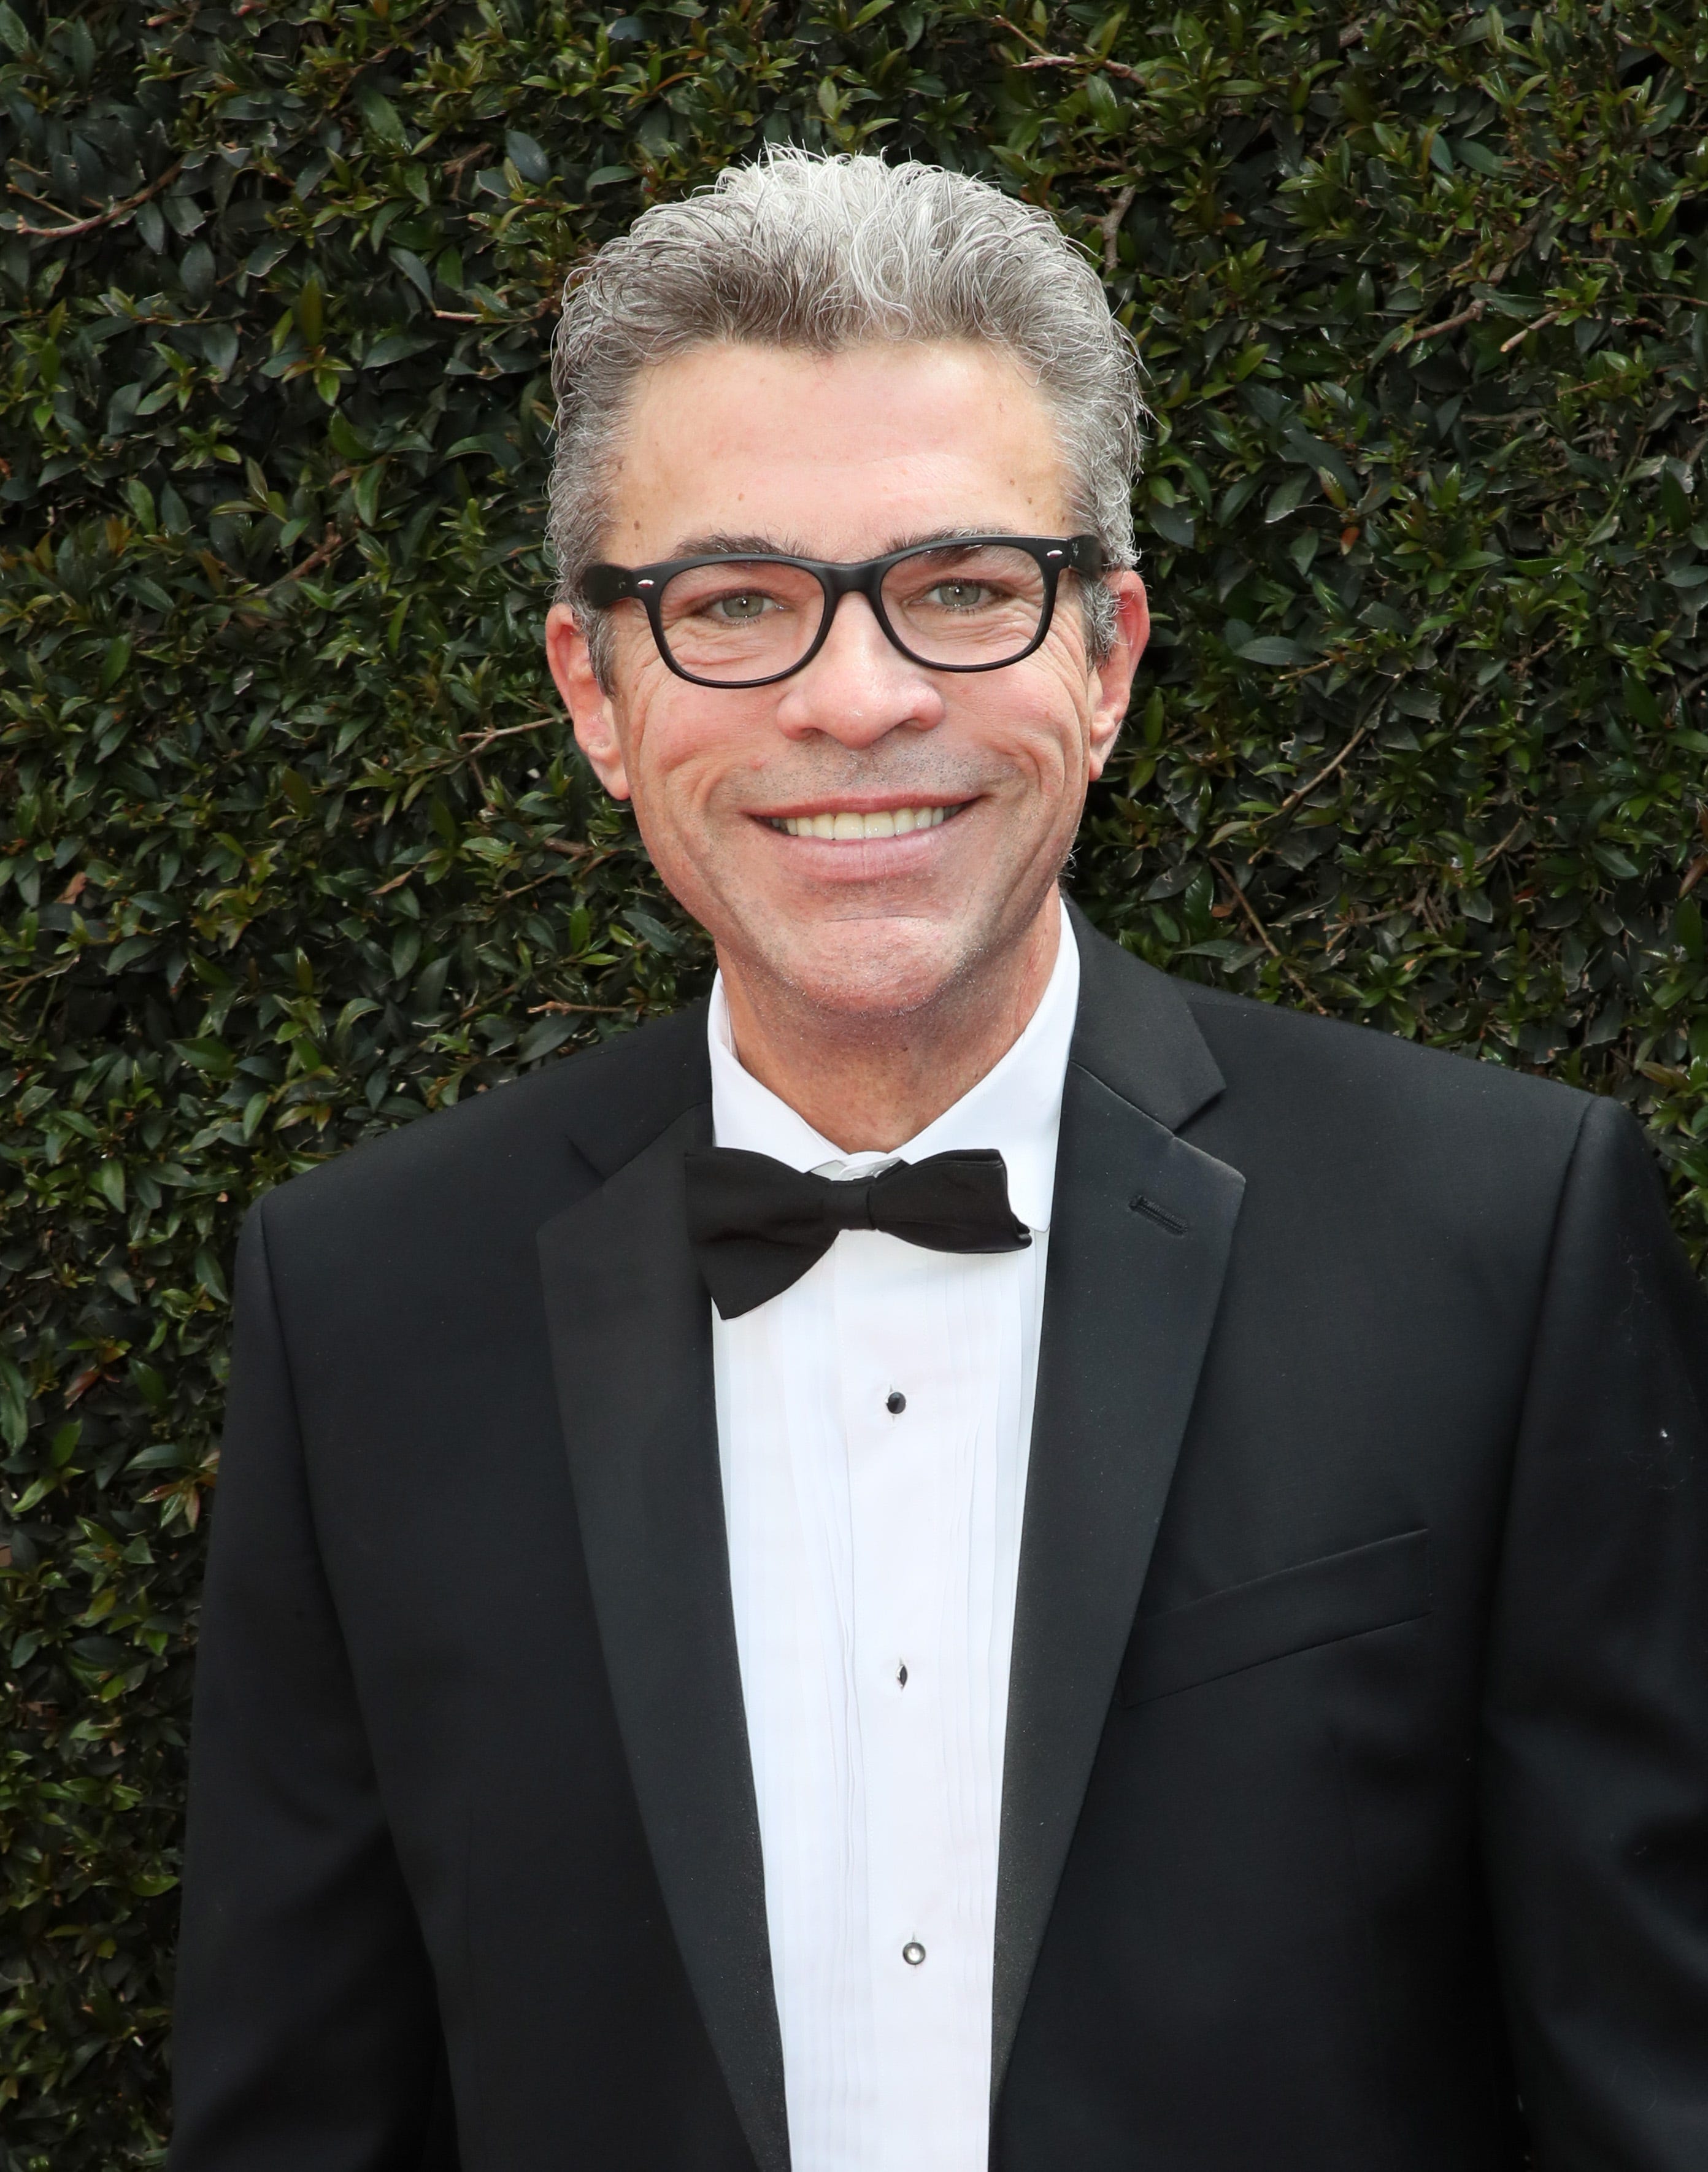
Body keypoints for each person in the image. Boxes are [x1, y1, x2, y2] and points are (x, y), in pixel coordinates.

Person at [167, 150, 1708, 2172]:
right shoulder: (362, 1303)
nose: (859, 698)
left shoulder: (1499, 1239)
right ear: (595, 695)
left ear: (1109, 655)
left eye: (962, 589)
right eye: (734, 604)